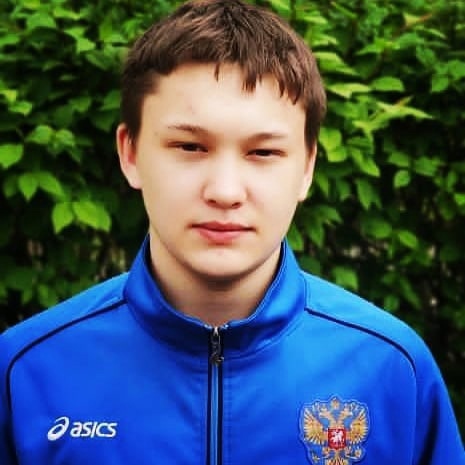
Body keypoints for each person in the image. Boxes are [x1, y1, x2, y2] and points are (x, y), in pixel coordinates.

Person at [0, 0, 463, 463]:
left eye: (263, 153)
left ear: (307, 168)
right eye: (189, 146)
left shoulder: (393, 369)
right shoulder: (25, 373)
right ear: (131, 153)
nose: (225, 191)